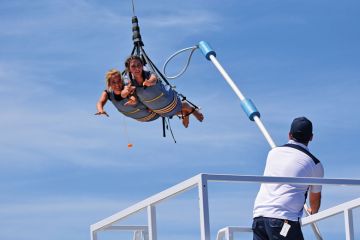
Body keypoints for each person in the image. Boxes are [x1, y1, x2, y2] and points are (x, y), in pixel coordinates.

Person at [252, 117, 324, 240]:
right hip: (283, 220)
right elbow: (315, 197)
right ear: (311, 137)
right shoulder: (315, 164)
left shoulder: (273, 153)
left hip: (259, 218)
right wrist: (313, 212)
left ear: (289, 134)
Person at [124, 55, 204, 128]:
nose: (137, 68)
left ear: (142, 66)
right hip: (157, 108)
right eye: (133, 66)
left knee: (181, 106)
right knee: (171, 112)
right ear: (129, 69)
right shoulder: (130, 83)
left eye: (139, 65)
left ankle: (192, 110)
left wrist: (149, 82)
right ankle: (185, 113)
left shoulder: (149, 74)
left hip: (167, 98)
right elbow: (132, 95)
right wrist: (132, 99)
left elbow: (154, 79)